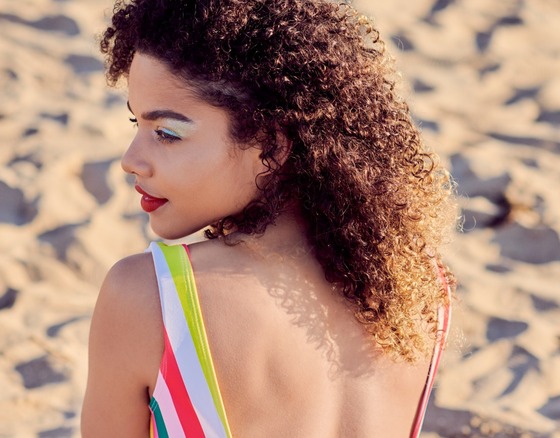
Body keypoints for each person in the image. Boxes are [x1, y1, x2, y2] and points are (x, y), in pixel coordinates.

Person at [81, 0, 457, 436]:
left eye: (166, 133)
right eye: (136, 123)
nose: (130, 160)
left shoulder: (151, 297)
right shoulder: (418, 288)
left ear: (272, 147)